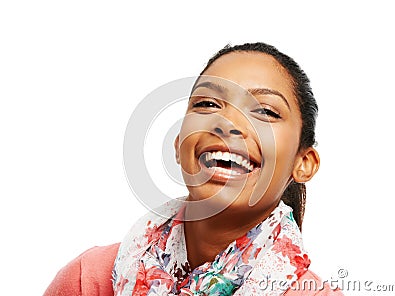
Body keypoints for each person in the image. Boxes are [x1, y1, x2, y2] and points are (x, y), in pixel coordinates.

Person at [45, 42, 343, 295]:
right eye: (208, 104)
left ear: (303, 163)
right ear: (178, 145)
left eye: (264, 111)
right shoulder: (89, 281)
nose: (228, 123)